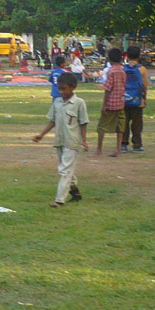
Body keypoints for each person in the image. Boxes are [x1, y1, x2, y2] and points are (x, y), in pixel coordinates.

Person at [32, 72, 89, 208]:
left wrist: (84, 140)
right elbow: (52, 121)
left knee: (64, 170)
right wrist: (41, 135)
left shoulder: (79, 103)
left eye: (64, 89)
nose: (62, 92)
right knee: (67, 168)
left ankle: (59, 200)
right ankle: (75, 192)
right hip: (60, 141)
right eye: (60, 89)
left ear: (73, 87)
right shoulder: (57, 102)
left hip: (73, 142)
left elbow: (83, 122)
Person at [96, 48, 126, 157]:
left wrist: (104, 105)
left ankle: (99, 150)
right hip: (120, 103)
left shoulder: (111, 71)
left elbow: (108, 89)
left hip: (111, 103)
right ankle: (118, 150)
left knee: (102, 126)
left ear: (109, 59)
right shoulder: (123, 71)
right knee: (120, 127)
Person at [121, 46, 150, 153]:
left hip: (124, 100)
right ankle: (137, 145)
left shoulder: (123, 69)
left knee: (124, 123)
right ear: (139, 56)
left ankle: (123, 144)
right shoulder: (142, 69)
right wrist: (144, 99)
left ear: (127, 56)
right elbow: (144, 86)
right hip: (138, 101)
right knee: (137, 124)